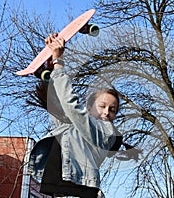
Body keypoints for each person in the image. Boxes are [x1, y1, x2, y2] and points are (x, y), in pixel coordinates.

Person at [27, 33, 127, 198]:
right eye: (102, 106)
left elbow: (71, 106)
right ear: (89, 108)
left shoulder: (108, 133)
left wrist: (59, 63)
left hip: (81, 193)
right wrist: (50, 65)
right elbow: (57, 105)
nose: (106, 112)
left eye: (113, 109)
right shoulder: (71, 128)